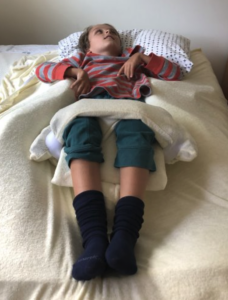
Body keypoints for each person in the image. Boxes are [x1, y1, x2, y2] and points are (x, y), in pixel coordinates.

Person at [35, 23, 181, 281]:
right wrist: (73, 70)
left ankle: (125, 236)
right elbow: (43, 70)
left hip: (128, 108)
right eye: (99, 32)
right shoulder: (82, 59)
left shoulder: (133, 57)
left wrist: (142, 57)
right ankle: (94, 239)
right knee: (79, 131)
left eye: (111, 31)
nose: (108, 33)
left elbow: (175, 73)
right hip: (89, 107)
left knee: (137, 133)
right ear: (87, 44)